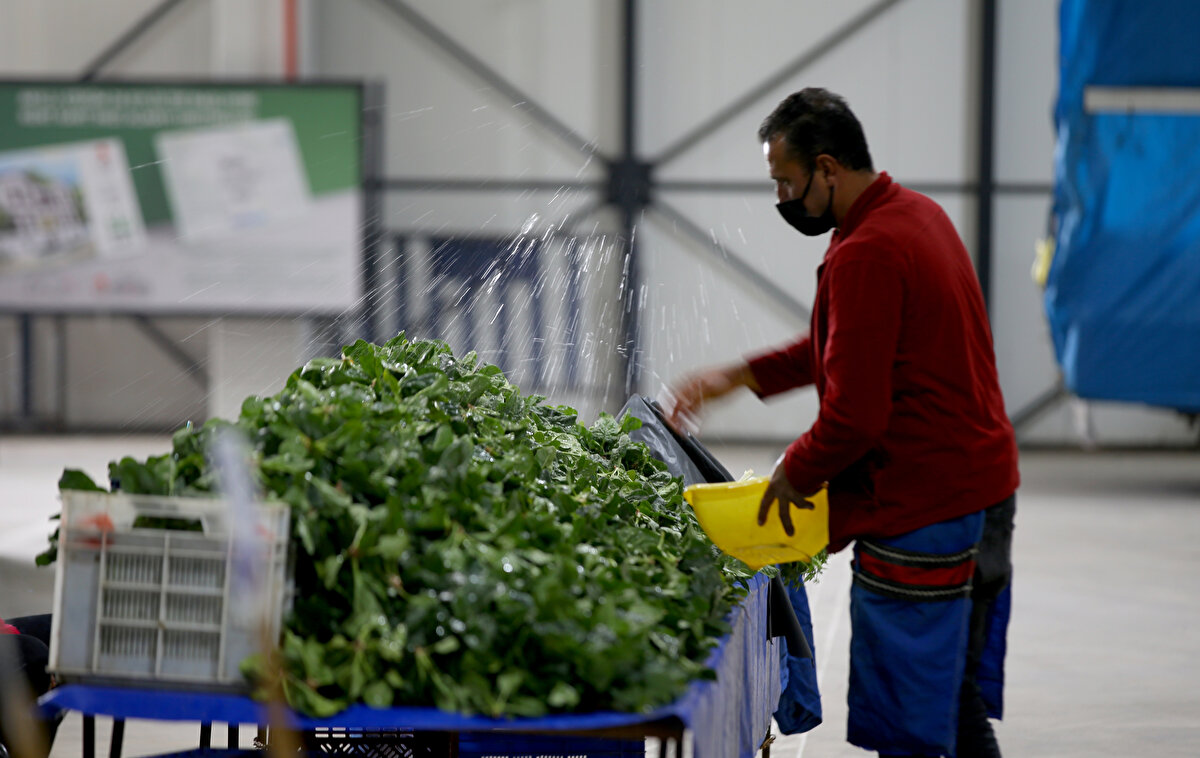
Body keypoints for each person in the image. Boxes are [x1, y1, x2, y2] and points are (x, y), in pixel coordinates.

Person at [665, 88, 1019, 758]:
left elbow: (856, 416)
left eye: (786, 183)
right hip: (985, 490)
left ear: (827, 169)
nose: (782, 200)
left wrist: (790, 475)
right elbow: (846, 344)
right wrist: (737, 376)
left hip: (926, 505)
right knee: (954, 698)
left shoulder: (868, 252)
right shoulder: (916, 216)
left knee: (916, 716)